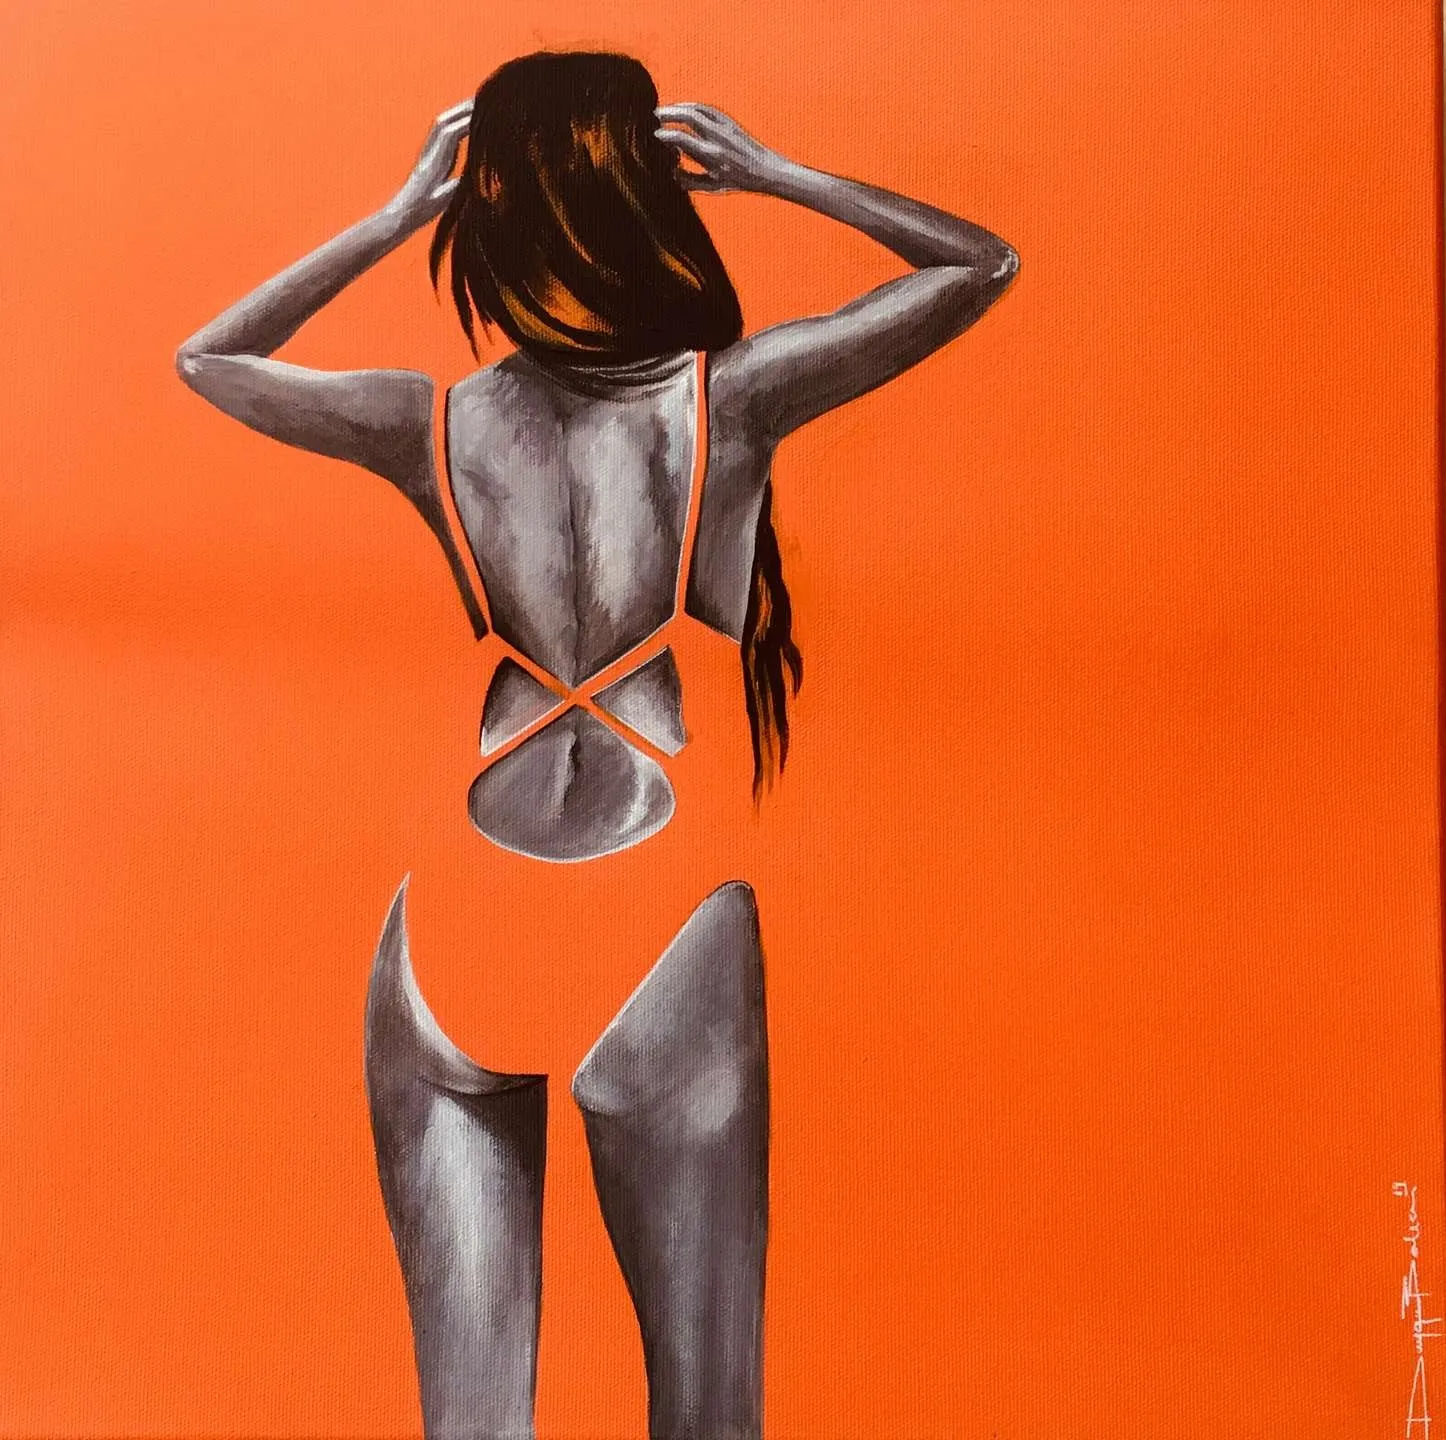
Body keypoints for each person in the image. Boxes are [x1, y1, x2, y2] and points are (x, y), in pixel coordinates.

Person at [176, 49, 1016, 1440]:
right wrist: (775, 175)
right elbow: (977, 266)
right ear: (650, 194)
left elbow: (210, 359)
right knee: (706, 1419)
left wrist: (394, 215)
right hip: (657, 921)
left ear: (484, 210)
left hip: (456, 921)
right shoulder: (731, 403)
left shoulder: (431, 425)